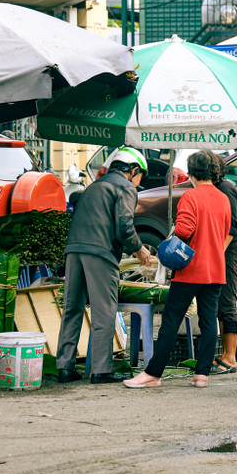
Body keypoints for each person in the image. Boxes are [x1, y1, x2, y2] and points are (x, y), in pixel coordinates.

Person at [124, 150, 231, 389]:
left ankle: (153, 374)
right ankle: (202, 375)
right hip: (216, 268)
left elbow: (183, 230)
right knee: (208, 321)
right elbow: (225, 233)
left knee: (171, 320)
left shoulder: (190, 196)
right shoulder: (223, 198)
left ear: (192, 173)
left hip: (191, 269)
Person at [56, 147, 152, 384]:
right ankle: (101, 370)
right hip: (100, 252)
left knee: (72, 308)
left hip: (74, 249)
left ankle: (65, 367)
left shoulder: (94, 186)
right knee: (103, 311)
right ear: (134, 170)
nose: (139, 183)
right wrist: (139, 248)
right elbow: (125, 227)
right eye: (140, 176)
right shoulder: (125, 187)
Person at [212, 153, 237, 374]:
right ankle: (225, 354)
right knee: (220, 303)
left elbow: (232, 227)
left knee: (227, 302)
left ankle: (231, 358)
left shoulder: (225, 188)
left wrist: (217, 252)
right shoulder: (215, 189)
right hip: (222, 250)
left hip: (231, 250)